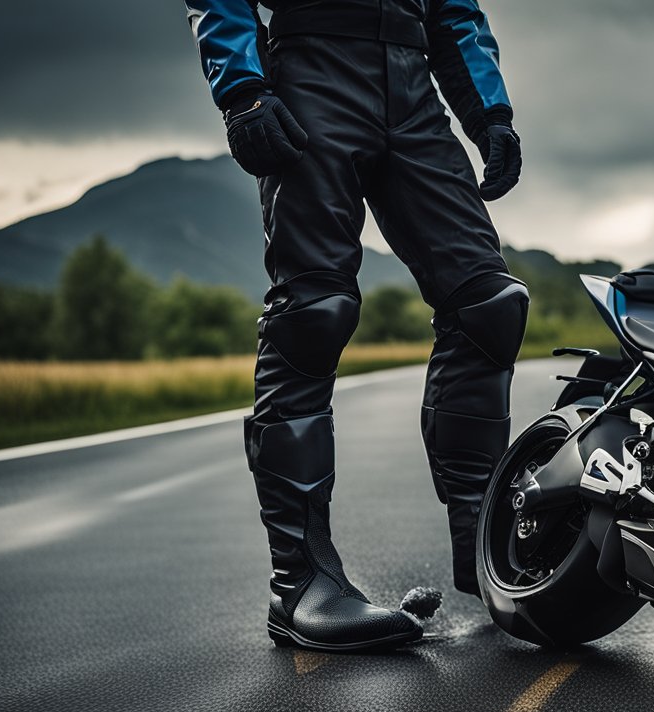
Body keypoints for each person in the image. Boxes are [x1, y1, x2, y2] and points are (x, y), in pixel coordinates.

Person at [183, 0, 527, 652]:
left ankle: (486, 549)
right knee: (313, 314)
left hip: (411, 78)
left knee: (488, 302)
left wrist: (491, 113)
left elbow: (453, 6)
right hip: (311, 65)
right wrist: (243, 89)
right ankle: (300, 584)